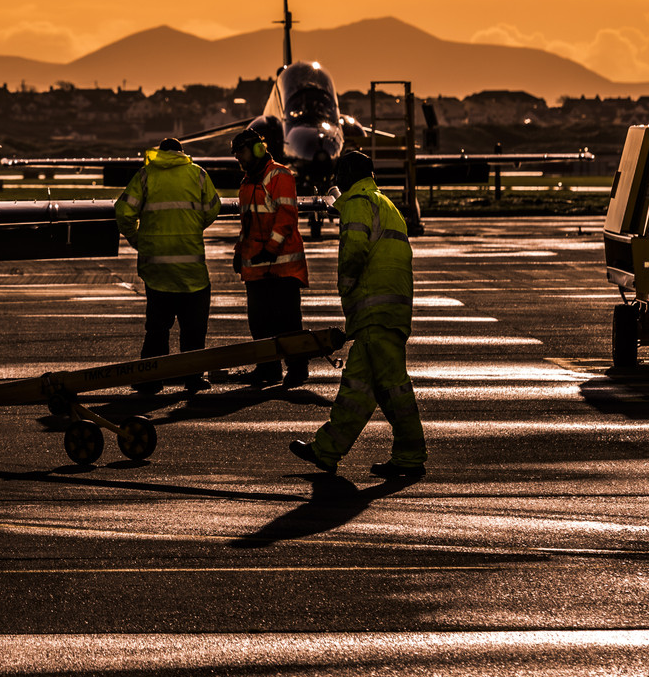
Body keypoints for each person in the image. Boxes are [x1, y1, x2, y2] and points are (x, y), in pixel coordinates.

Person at [289, 149, 426, 480]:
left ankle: (410, 454)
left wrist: (346, 290)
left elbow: (354, 249)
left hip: (373, 309)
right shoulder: (384, 203)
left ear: (346, 175)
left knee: (393, 387)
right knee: (358, 389)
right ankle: (326, 450)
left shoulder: (358, 203)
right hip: (388, 309)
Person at [114, 136, 222, 394]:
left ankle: (151, 380)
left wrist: (137, 238)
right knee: (194, 330)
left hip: (157, 269)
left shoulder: (145, 175)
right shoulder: (198, 174)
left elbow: (123, 211)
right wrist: (192, 228)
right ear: (182, 153)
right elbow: (213, 208)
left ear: (159, 153)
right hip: (191, 270)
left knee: (157, 329)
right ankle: (193, 378)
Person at [231, 129, 309, 388]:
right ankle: (268, 368)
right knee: (259, 322)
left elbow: (286, 216)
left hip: (283, 268)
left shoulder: (279, 175)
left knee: (288, 322)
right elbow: (249, 224)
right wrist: (239, 252)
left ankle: (297, 369)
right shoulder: (248, 181)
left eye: (241, 154)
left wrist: (271, 249)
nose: (239, 160)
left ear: (256, 150)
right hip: (256, 268)